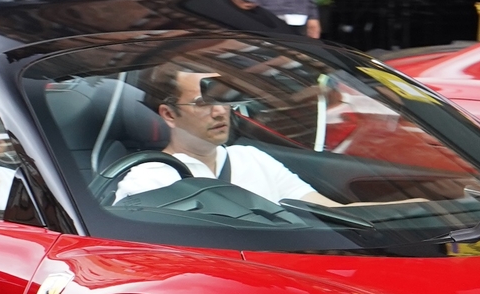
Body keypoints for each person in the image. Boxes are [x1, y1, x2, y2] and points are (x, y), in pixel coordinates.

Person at [113, 64, 328, 204]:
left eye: (223, 99)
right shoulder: (148, 181)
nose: (219, 111)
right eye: (203, 103)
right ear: (169, 114)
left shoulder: (252, 158)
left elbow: (329, 210)